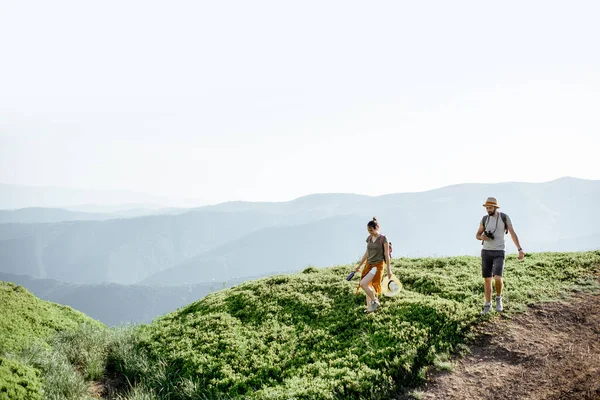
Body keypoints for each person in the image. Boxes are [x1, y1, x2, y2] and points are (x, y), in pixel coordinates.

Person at [475, 197, 525, 314]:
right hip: (486, 251)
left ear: (495, 207)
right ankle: (487, 305)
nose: (488, 210)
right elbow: (477, 234)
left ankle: (498, 298)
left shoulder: (504, 217)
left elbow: (512, 232)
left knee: (497, 277)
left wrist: (520, 249)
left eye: (490, 208)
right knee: (487, 279)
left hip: (499, 251)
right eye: (487, 208)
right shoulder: (484, 219)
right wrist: (481, 237)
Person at [353, 217, 392, 312]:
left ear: (377, 228)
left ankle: (375, 300)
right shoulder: (369, 238)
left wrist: (389, 269)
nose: (369, 232)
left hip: (377, 265)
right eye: (368, 230)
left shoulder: (383, 238)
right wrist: (359, 265)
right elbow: (367, 253)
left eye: (371, 230)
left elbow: (386, 254)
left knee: (363, 284)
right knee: (368, 285)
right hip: (369, 265)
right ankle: (369, 308)